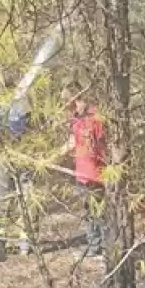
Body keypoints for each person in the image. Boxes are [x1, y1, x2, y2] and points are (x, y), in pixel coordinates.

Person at [0, 93, 36, 261]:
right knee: (26, 199)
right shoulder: (24, 101)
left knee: (0, 202)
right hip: (23, 153)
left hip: (6, 155)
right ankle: (24, 244)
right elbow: (34, 130)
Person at [59, 83, 107, 258]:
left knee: (100, 212)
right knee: (88, 212)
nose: (72, 109)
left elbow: (103, 145)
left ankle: (107, 248)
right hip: (82, 174)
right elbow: (72, 143)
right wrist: (52, 156)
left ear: (80, 99)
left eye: (73, 104)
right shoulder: (76, 120)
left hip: (97, 174)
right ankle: (94, 245)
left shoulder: (96, 118)